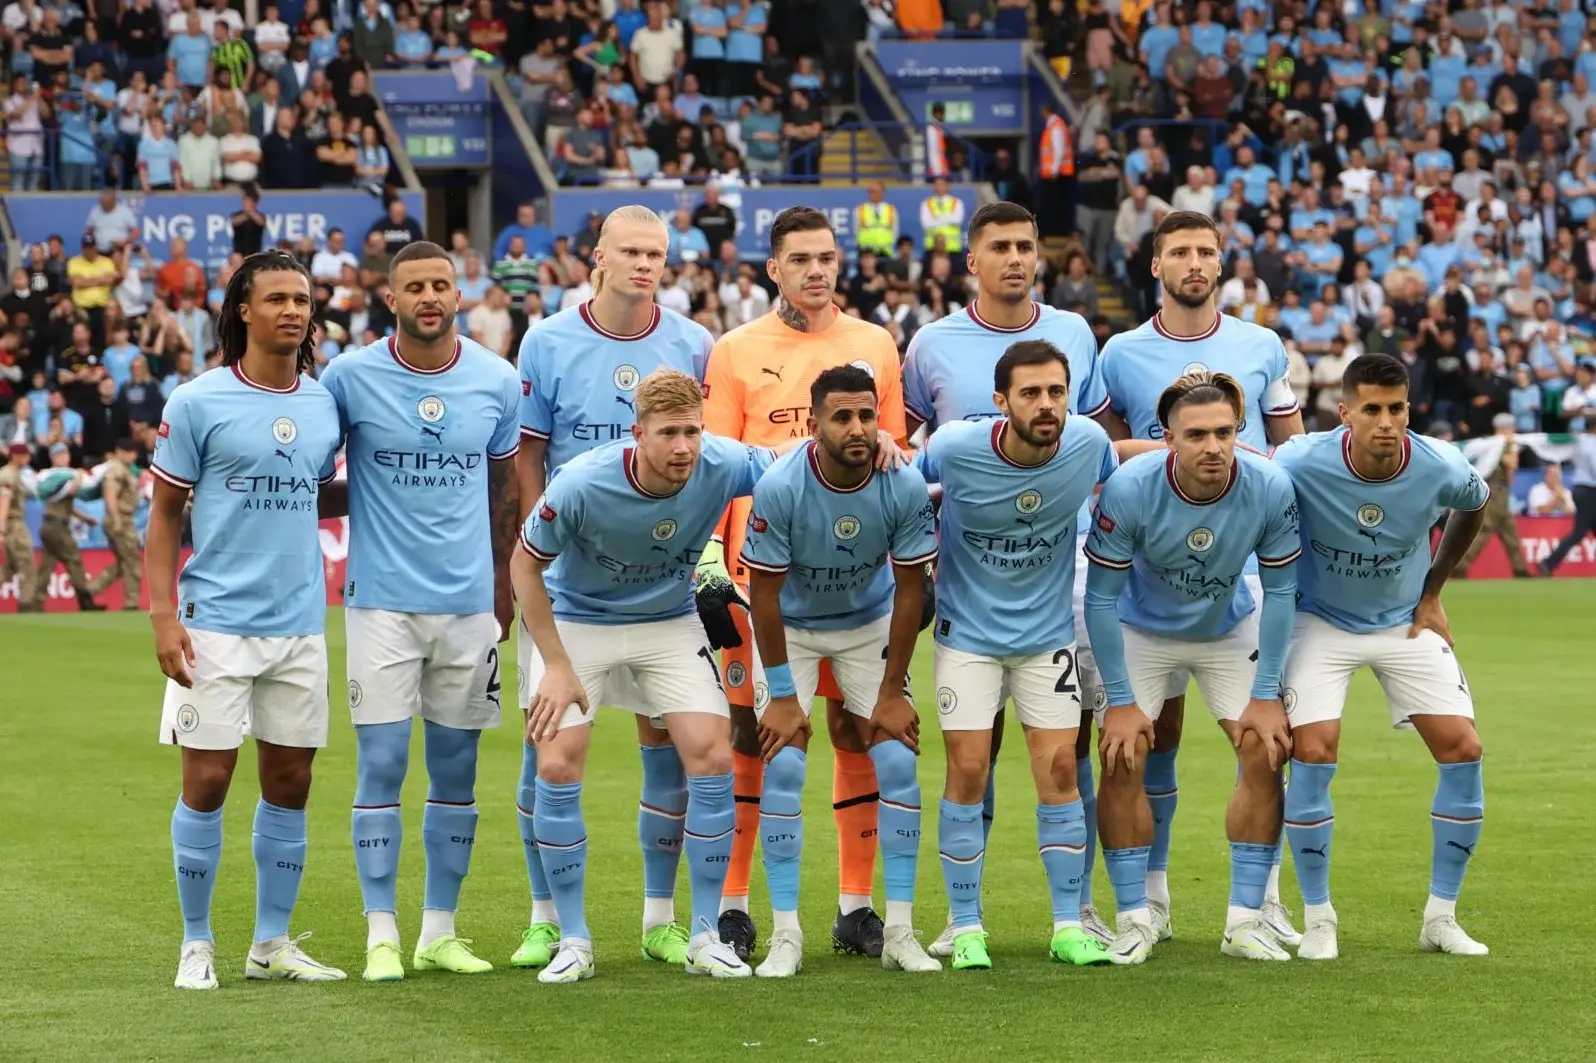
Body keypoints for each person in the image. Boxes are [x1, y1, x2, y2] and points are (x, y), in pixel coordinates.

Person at [901, 200, 1120, 953]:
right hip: (968, 615)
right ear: (973, 259)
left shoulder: (1080, 384)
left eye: (1028, 245)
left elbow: (1112, 475)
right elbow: (903, 468)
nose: (1018, 258)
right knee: (971, 762)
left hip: (1060, 603)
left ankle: (1072, 919)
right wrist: (917, 550)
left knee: (1065, 757)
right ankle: (964, 921)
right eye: (1001, 246)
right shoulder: (936, 363)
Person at [697, 205, 908, 962]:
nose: (817, 269)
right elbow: (715, 465)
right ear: (773, 268)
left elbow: (894, 456)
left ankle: (856, 906)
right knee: (754, 738)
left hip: (853, 582)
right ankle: (733, 905)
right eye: (801, 259)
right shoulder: (734, 350)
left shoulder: (875, 344)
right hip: (760, 580)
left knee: (858, 730)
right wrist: (711, 563)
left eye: (827, 256)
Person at [511, 205, 717, 971]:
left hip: (660, 583)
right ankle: (544, 917)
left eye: (656, 253)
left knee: (666, 751)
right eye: (629, 250)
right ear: (596, 256)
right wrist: (529, 555)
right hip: (568, 588)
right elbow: (528, 458)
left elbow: (706, 457)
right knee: (547, 753)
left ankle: (661, 920)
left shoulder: (693, 341)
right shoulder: (548, 339)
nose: (644, 264)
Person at [512, 368, 766, 984]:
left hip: (668, 619)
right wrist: (555, 665)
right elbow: (524, 566)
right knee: (556, 764)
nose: (684, 447)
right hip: (576, 620)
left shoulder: (724, 462)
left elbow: (801, 465)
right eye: (669, 434)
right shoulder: (580, 483)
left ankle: (705, 934)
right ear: (638, 434)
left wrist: (886, 451)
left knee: (710, 757)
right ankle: (574, 938)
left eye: (692, 432)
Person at [1094, 211, 1306, 945]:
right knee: (1146, 739)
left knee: (1264, 739)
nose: (1194, 262)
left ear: (1222, 262)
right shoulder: (1120, 351)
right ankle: (1144, 903)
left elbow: (1293, 448)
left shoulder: (1260, 343)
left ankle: (1257, 906)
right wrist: (1160, 460)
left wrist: (1244, 474)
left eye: (1206, 251)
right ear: (1155, 265)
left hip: (1236, 575)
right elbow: (1098, 449)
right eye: (1179, 251)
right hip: (1147, 574)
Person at [317, 241, 521, 983]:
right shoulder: (350, 377)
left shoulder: (498, 380)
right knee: (381, 762)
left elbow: (505, 493)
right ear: (390, 298)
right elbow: (314, 478)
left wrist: (505, 587)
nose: (429, 296)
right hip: (380, 603)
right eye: (415, 287)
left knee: (457, 768)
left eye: (441, 283)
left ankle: (439, 929)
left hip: (468, 605)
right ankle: (380, 932)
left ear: (458, 293)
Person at [147, 250, 344, 989]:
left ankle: (271, 943)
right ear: (242, 311)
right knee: (208, 779)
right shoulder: (197, 401)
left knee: (290, 779)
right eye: (278, 299)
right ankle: (196, 941)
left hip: (299, 620)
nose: (293, 310)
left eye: (303, 299)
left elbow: (315, 496)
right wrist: (164, 617)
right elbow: (165, 516)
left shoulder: (323, 404)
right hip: (215, 622)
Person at [1271, 353, 1492, 960]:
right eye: (1372, 409)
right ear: (1345, 414)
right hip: (1320, 621)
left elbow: (1476, 503)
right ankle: (1318, 920)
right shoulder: (1301, 459)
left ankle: (1441, 918)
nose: (1387, 422)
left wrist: (1434, 589)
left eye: (1397, 409)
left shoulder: (1440, 463)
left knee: (1464, 749)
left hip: (1403, 623)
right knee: (1314, 751)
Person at [739, 366, 939, 977]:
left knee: (899, 759)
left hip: (865, 623)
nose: (856, 429)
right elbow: (765, 597)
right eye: (841, 417)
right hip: (791, 628)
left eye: (866, 416)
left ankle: (901, 931)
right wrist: (778, 695)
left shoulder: (900, 483)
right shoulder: (781, 484)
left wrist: (891, 691)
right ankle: (785, 935)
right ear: (816, 420)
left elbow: (911, 591)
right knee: (785, 761)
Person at [29, 444, 106, 613]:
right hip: (57, 526)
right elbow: (70, 491)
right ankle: (85, 601)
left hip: (50, 525)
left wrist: (84, 518)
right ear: (52, 458)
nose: (63, 457)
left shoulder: (54, 478)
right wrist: (79, 475)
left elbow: (66, 504)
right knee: (74, 560)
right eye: (59, 455)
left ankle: (33, 605)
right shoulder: (52, 478)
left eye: (65, 454)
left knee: (47, 566)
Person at [87, 438, 144, 610]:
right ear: (120, 452)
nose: (133, 456)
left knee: (123, 562)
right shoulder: (116, 470)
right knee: (132, 561)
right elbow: (110, 494)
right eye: (129, 452)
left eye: (134, 452)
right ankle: (131, 602)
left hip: (122, 518)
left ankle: (89, 591)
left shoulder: (126, 470)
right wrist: (117, 519)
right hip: (120, 519)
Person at [1539, 414, 1596, 576]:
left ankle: (1548, 564)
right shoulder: (1592, 444)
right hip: (1590, 491)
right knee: (1579, 533)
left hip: (1582, 489)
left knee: (1580, 531)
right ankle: (1548, 564)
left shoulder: (1580, 441)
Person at [0, 441, 39, 610]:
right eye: (24, 455)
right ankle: (26, 605)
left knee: (8, 569)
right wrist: (1, 528)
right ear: (15, 456)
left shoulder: (8, 473)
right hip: (14, 525)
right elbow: (4, 501)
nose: (27, 458)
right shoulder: (10, 475)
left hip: (10, 524)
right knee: (27, 566)